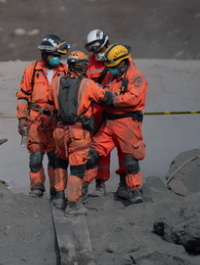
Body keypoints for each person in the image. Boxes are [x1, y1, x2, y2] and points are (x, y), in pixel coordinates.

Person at [48, 51, 114, 214]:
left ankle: (59, 197)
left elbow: (50, 101)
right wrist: (108, 90)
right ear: (83, 67)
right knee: (77, 169)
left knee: (60, 163)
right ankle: (73, 204)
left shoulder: (56, 82)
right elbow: (106, 99)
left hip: (59, 131)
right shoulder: (87, 84)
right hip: (78, 133)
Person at [86, 44, 148, 204]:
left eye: (113, 66)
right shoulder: (110, 75)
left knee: (130, 159)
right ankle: (84, 189)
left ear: (123, 62)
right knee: (92, 154)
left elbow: (133, 98)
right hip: (108, 121)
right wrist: (100, 95)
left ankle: (133, 190)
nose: (111, 70)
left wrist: (113, 99)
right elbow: (102, 90)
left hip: (127, 122)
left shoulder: (136, 77)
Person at [16, 34, 70, 197]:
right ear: (45, 54)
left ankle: (56, 189)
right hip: (35, 119)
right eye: (55, 55)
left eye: (59, 55)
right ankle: (37, 187)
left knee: (55, 157)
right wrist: (21, 119)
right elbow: (23, 96)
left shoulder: (65, 71)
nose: (57, 58)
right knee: (35, 157)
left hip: (56, 119)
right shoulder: (31, 70)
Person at [84, 28, 123, 197]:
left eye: (100, 48)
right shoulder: (89, 63)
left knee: (124, 149)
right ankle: (100, 184)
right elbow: (84, 85)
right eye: (94, 49)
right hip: (97, 112)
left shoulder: (121, 57)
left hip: (120, 111)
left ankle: (125, 184)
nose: (98, 52)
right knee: (100, 149)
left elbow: (129, 80)